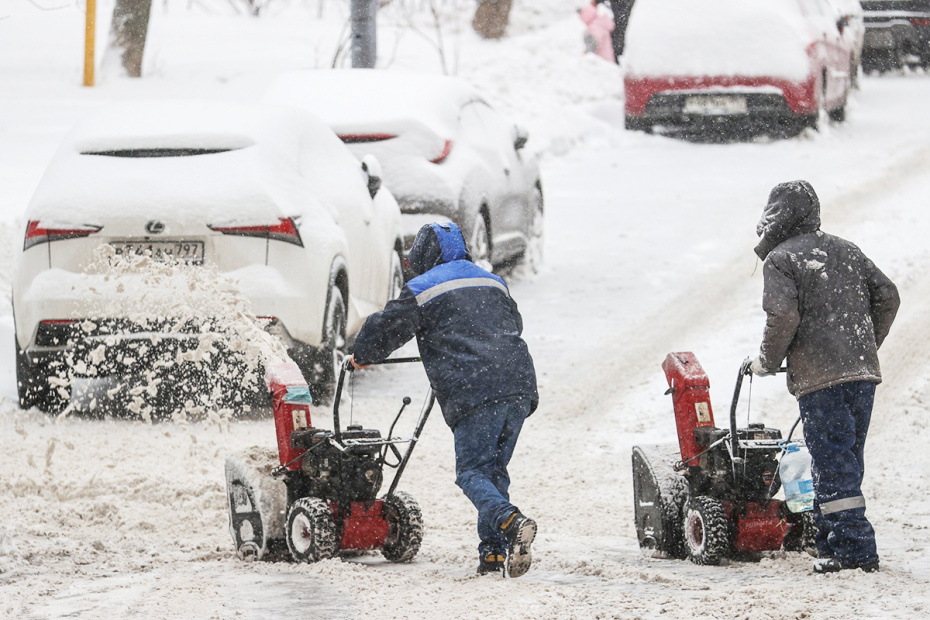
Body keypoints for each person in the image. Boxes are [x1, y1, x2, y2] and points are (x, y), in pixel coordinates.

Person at [349, 222, 539, 578]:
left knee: (471, 471)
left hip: (476, 390)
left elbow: (387, 325)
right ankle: (493, 555)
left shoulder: (423, 287)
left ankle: (510, 521)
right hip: (518, 386)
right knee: (493, 471)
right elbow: (512, 323)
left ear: (422, 255)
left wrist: (363, 354)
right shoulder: (492, 280)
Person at [750, 180, 899, 574]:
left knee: (832, 461)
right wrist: (865, 345)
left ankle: (855, 551)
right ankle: (828, 541)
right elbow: (888, 295)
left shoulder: (781, 259)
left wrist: (767, 360)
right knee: (845, 459)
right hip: (862, 375)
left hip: (822, 380)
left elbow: (783, 317)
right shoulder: (847, 249)